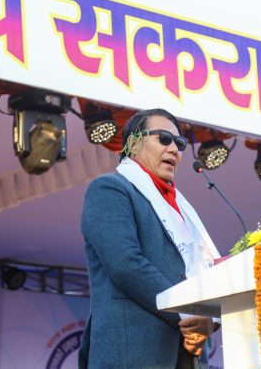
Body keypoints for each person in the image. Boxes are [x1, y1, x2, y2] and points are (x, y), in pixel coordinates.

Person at [78, 108, 220, 368]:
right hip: (134, 353)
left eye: (179, 143)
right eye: (164, 138)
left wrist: (210, 321)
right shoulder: (110, 189)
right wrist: (187, 315)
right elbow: (126, 264)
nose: (174, 149)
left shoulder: (182, 207)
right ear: (133, 143)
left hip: (188, 354)